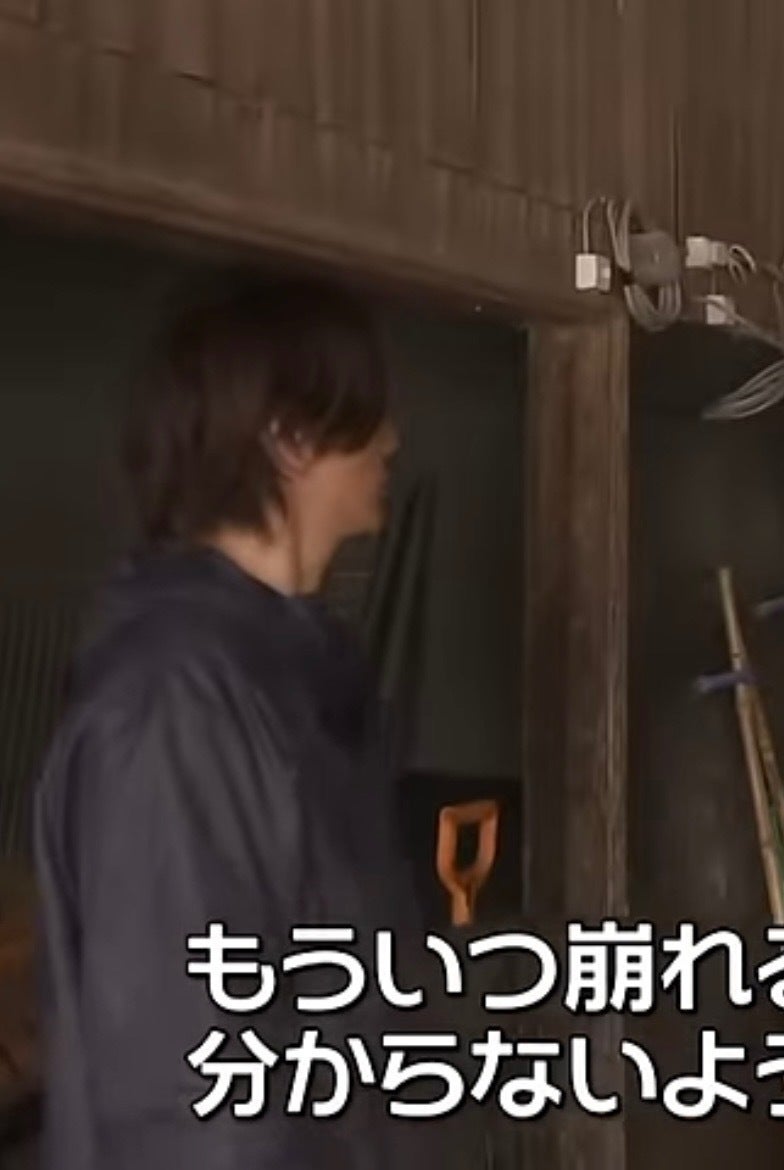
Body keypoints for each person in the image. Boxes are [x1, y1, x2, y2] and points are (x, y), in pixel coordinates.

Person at [32, 275, 423, 1170]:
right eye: (369, 414)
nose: (392, 440)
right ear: (289, 440)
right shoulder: (174, 702)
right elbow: (186, 1092)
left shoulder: (291, 679)